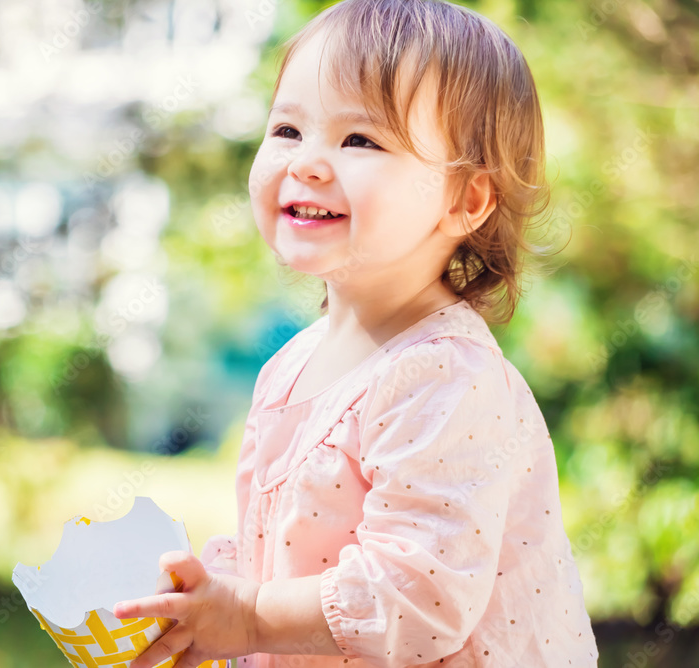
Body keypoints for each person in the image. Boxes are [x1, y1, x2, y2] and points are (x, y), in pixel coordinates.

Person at [113, 1, 600, 666]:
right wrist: (210, 606)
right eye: (287, 129)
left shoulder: (445, 376)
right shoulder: (291, 366)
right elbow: (270, 555)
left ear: (467, 200)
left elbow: (420, 594)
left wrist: (249, 617)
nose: (308, 162)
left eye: (360, 140)